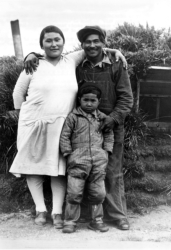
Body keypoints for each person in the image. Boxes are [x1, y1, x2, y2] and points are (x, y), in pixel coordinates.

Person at [10, 25, 126, 228]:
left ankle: (56, 213)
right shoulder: (33, 65)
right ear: (41, 44)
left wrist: (116, 51)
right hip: (33, 124)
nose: (54, 43)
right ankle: (40, 210)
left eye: (57, 39)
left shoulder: (70, 60)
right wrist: (23, 118)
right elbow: (17, 94)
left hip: (63, 125)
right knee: (33, 168)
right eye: (48, 40)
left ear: (63, 42)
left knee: (60, 168)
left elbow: (95, 48)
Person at [76, 26, 133, 230]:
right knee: (84, 168)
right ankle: (86, 215)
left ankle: (118, 215)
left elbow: (126, 98)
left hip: (111, 126)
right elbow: (53, 56)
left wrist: (114, 118)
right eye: (87, 42)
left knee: (112, 171)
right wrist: (32, 54)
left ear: (103, 43)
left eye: (96, 41)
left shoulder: (116, 63)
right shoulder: (77, 65)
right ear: (82, 45)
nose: (92, 45)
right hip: (83, 126)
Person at [60, 84, 114, 233]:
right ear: (79, 100)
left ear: (99, 101)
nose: (89, 103)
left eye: (93, 100)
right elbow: (65, 135)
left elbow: (109, 135)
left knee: (98, 193)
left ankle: (96, 221)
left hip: (98, 161)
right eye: (85, 100)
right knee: (74, 193)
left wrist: (106, 152)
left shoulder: (103, 118)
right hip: (77, 161)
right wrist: (68, 153)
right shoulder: (73, 117)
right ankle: (70, 221)